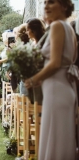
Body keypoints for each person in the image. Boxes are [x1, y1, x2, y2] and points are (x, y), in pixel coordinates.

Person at [24, 1, 78, 159]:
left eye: (51, 2)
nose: (46, 6)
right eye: (45, 2)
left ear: (64, 5)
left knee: (55, 140)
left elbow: (55, 63)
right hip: (63, 88)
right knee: (60, 139)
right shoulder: (69, 28)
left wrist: (34, 79)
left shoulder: (57, 27)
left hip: (57, 90)